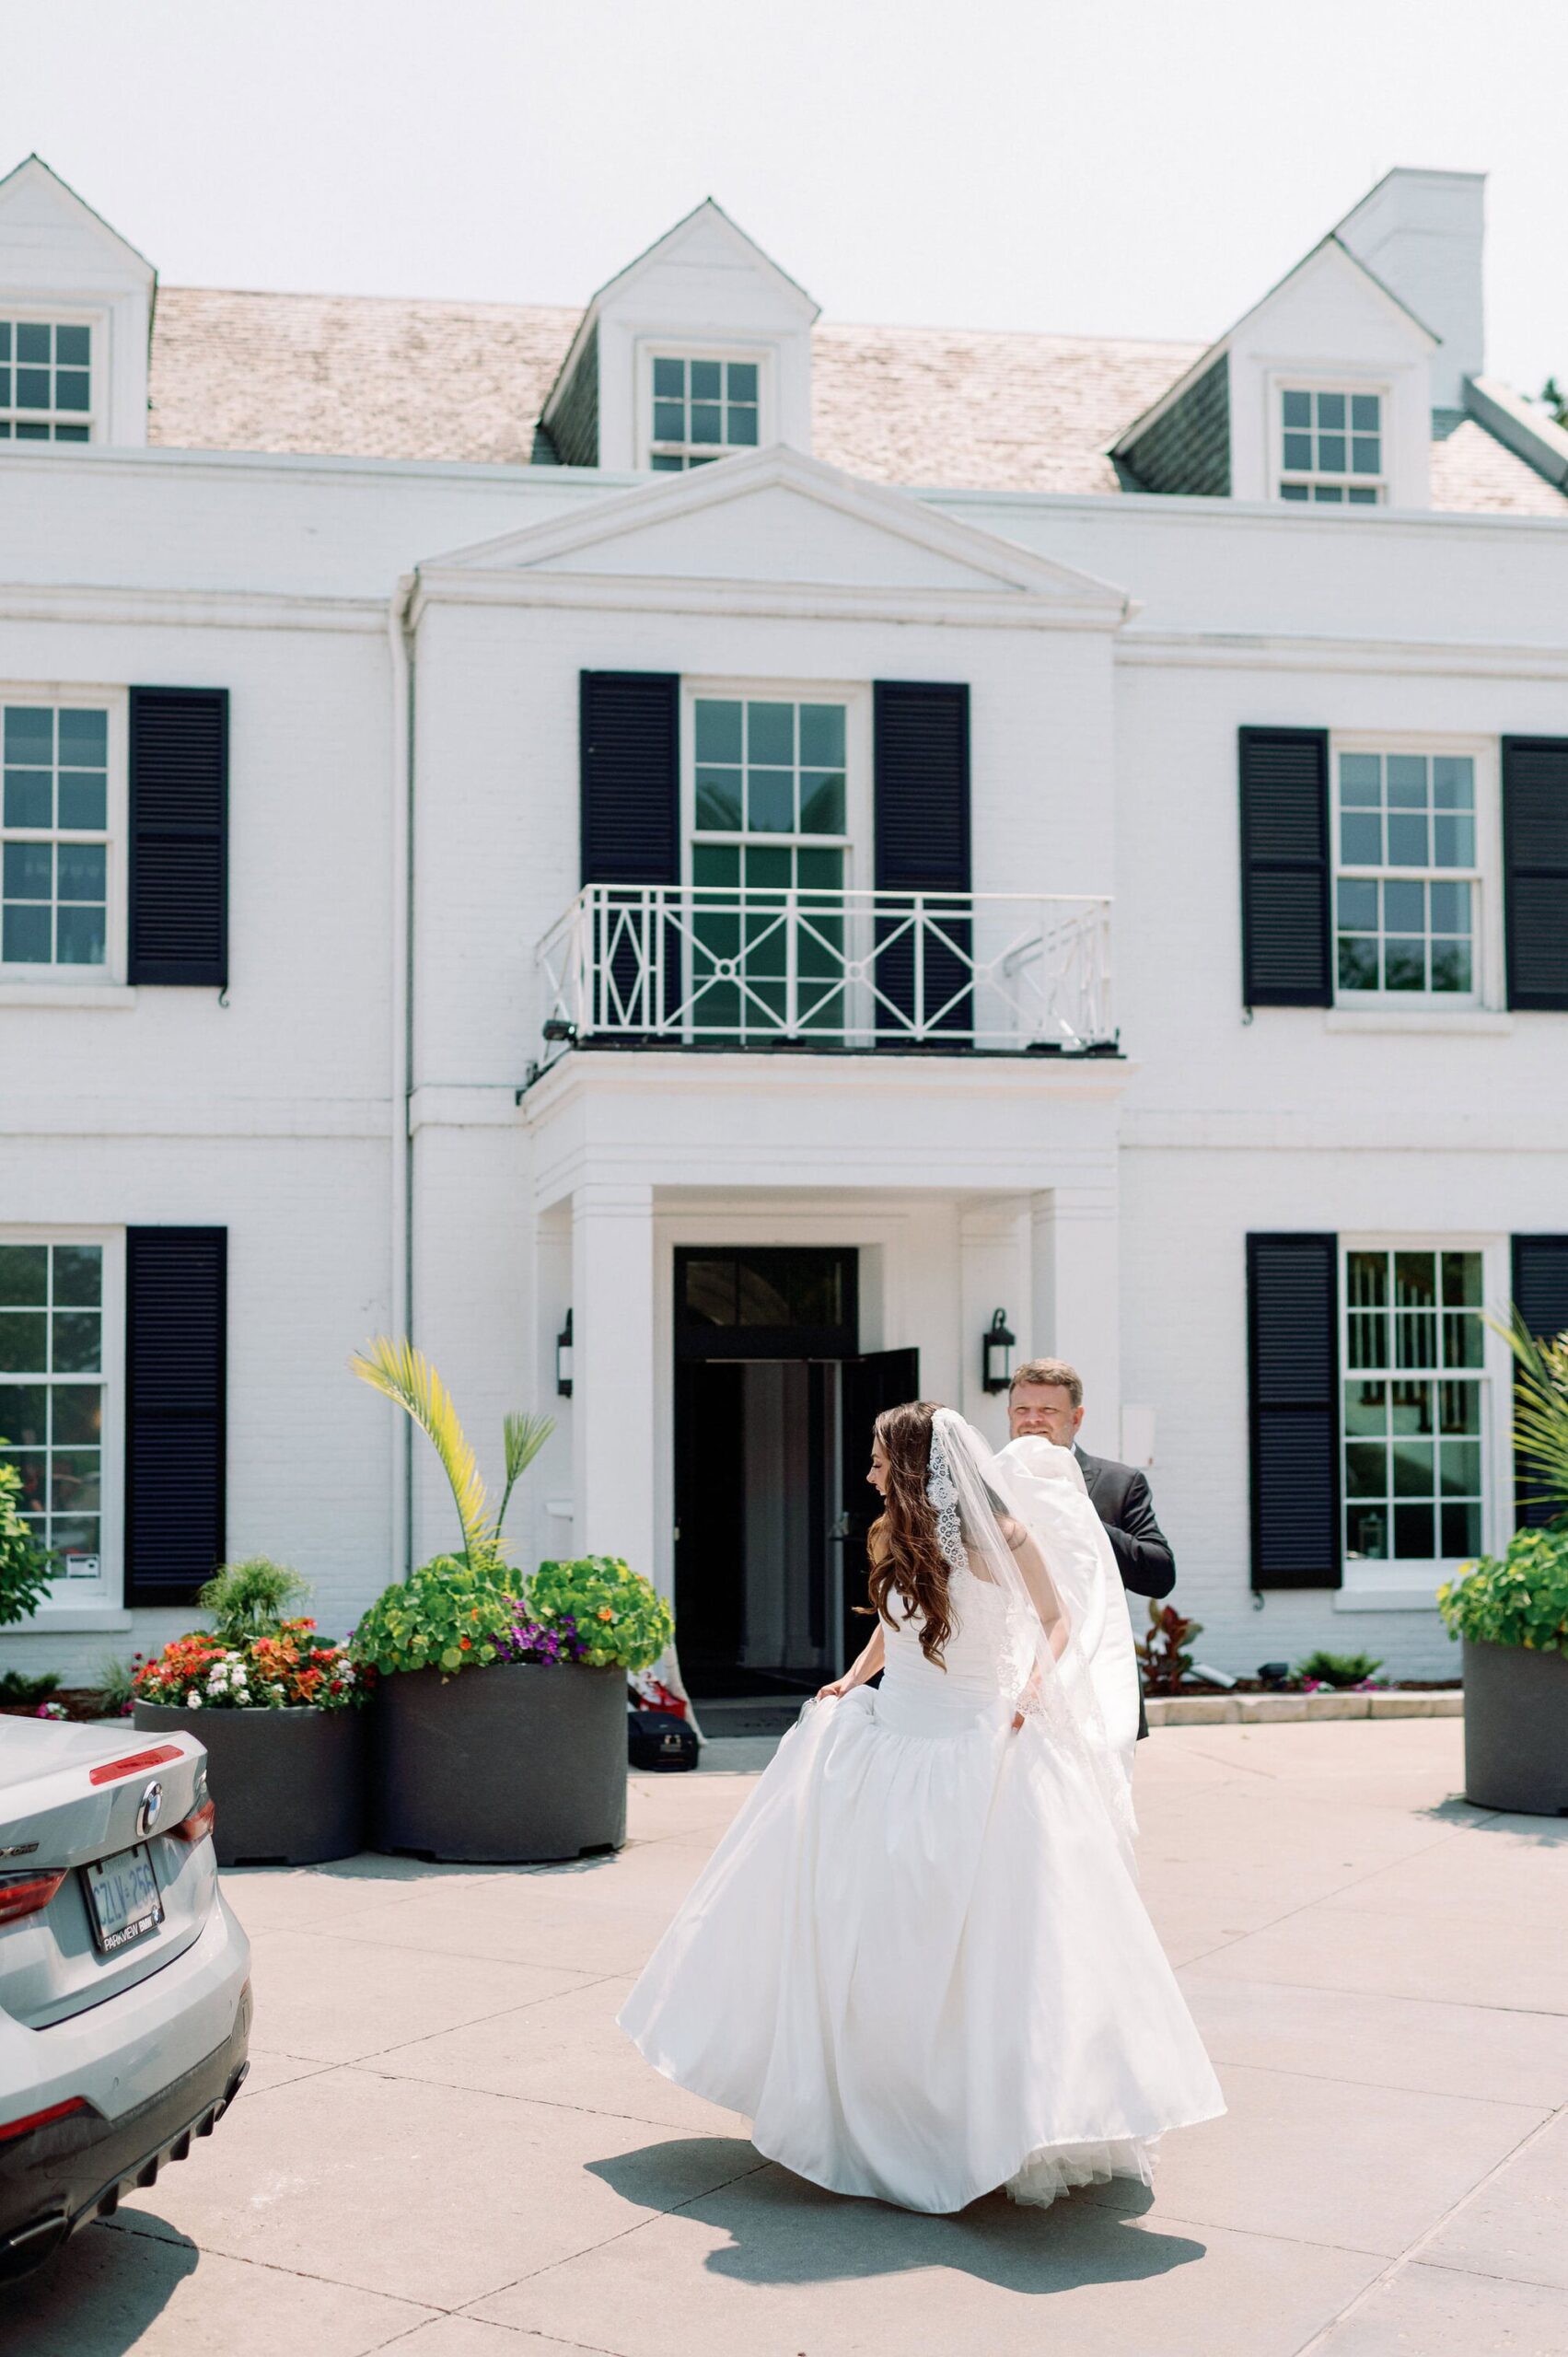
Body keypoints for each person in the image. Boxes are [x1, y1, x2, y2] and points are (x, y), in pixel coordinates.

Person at [619, 1401, 1224, 2216]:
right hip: (887, 1741)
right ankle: (866, 2097)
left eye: (875, 1459)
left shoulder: (1002, 1541)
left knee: (978, 1938)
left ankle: (975, 2116)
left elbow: (1055, 1619)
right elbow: (894, 1629)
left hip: (973, 1748)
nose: (866, 1472)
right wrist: (851, 1675)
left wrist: (1037, 1682)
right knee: (862, 1926)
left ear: (911, 1465)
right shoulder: (888, 1536)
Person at [1008, 1357, 1175, 1739]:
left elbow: (1159, 1576)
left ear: (1076, 1418)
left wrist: (1076, 1514)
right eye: (1023, 1409)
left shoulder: (1120, 1482)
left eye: (1048, 1410)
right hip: (1010, 1677)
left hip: (1097, 1682)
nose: (1033, 1420)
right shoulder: (988, 1481)